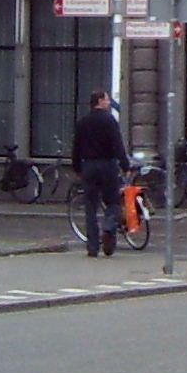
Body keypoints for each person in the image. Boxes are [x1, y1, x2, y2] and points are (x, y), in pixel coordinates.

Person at [72, 88, 131, 257]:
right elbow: (117, 144)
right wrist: (125, 166)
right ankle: (108, 229)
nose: (108, 102)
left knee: (90, 206)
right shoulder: (109, 121)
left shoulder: (83, 122)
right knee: (113, 202)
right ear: (99, 101)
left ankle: (92, 247)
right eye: (106, 99)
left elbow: (76, 146)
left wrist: (77, 167)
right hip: (107, 165)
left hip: (89, 166)